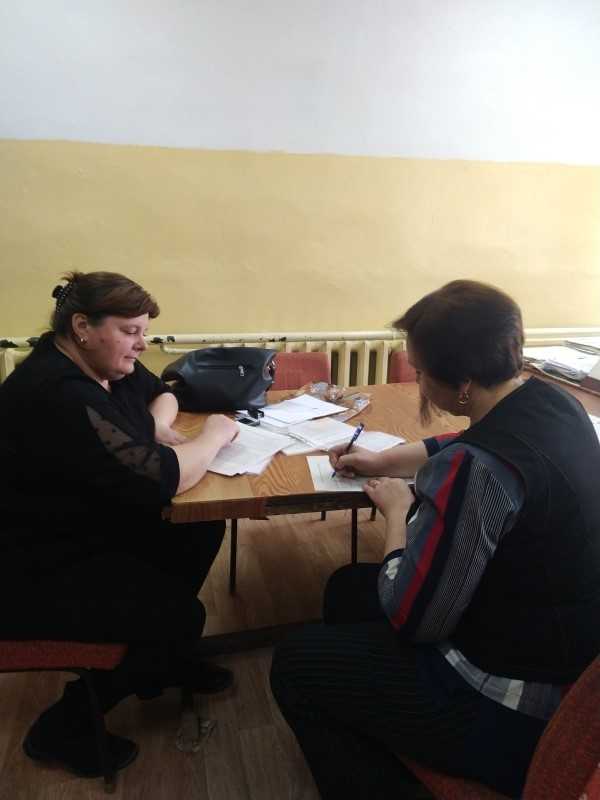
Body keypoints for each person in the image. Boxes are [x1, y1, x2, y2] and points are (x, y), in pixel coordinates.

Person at [270, 280, 600, 798]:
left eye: (420, 372)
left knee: (294, 662)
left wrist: (396, 513)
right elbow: (464, 438)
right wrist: (383, 460)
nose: (419, 380)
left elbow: (415, 619)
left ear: (462, 383)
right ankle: (380, 737)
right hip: (565, 651)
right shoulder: (553, 402)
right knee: (345, 589)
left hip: (512, 705)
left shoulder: (476, 470)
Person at [0, 271, 239, 778]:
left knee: (200, 528)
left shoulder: (102, 365)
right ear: (82, 327)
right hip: (31, 569)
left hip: (83, 530)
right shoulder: (57, 392)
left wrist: (153, 424)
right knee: (181, 616)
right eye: (131, 331)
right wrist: (215, 436)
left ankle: (159, 658)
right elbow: (165, 478)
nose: (142, 344)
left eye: (143, 331)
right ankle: (61, 728)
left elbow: (163, 392)